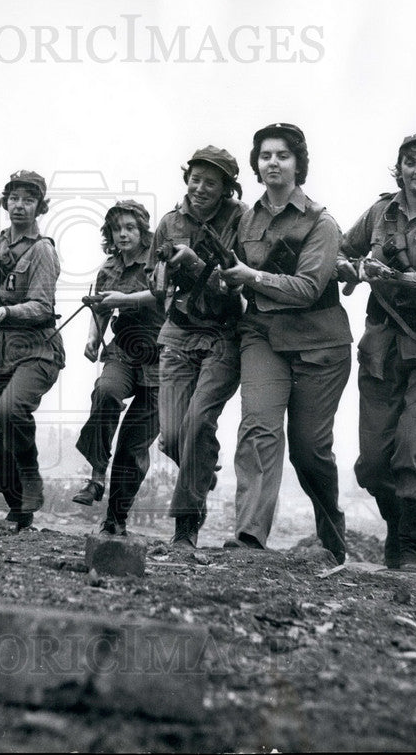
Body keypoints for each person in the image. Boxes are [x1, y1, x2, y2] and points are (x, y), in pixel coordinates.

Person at [219, 124, 351, 564]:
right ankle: (250, 536)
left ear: (299, 164)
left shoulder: (322, 222)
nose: (273, 163)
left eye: (283, 156)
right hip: (262, 335)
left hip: (319, 346)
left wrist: (252, 277)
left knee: (309, 452)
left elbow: (309, 288)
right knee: (258, 428)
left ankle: (333, 537)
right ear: (256, 164)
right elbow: (230, 273)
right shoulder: (244, 218)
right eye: (265, 156)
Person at [337, 133, 416, 572]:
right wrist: (352, 268)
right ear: (400, 168)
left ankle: (411, 549)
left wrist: (396, 277)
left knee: (413, 445)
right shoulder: (380, 212)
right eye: (409, 161)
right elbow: (339, 249)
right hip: (383, 344)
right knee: (373, 464)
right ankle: (397, 528)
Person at [147, 146, 246, 548]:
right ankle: (200, 467)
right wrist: (163, 278)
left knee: (197, 424)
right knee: (172, 436)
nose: (200, 188)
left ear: (226, 189)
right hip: (178, 333)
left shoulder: (242, 220)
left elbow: (236, 282)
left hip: (223, 334)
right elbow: (154, 280)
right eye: (195, 178)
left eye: (211, 182)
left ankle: (185, 529)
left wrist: (194, 265)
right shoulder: (170, 222)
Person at [0, 170, 65, 532]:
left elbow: (41, 306)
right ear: (5, 203)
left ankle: (32, 479)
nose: (20, 206)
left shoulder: (42, 250)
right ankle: (19, 507)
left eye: (28, 200)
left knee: (12, 410)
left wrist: (5, 312)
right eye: (14, 199)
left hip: (36, 350)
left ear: (40, 206)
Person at [72, 200, 165, 535]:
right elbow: (100, 309)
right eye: (117, 229)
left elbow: (162, 295)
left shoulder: (158, 261)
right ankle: (97, 475)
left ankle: (115, 521)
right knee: (106, 391)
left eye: (130, 228)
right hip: (123, 351)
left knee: (133, 446)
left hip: (161, 359)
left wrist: (122, 301)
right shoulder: (108, 268)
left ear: (143, 232)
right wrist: (93, 339)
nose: (123, 234)